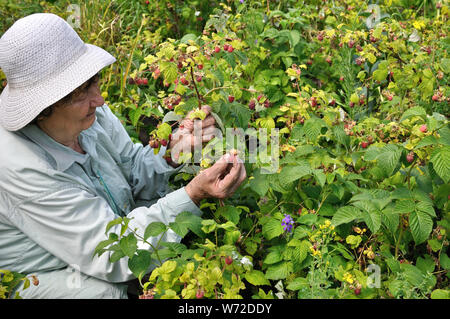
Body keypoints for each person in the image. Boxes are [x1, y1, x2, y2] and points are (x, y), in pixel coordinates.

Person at [0, 13, 246, 298]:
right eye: (81, 92)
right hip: (37, 276)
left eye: (94, 81)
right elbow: (112, 251)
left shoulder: (88, 114)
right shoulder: (19, 165)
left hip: (98, 232)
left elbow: (130, 167)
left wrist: (172, 153)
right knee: (103, 292)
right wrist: (193, 195)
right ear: (43, 109)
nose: (100, 99)